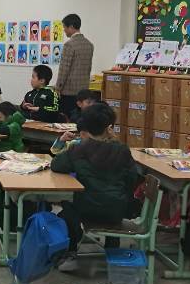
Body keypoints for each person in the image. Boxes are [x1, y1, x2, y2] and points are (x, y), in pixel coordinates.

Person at [51, 103, 137, 272]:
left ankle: (71, 252)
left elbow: (56, 165)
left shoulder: (78, 149)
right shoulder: (122, 150)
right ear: (109, 127)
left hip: (86, 208)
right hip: (117, 210)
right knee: (112, 199)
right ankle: (112, 249)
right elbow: (132, 179)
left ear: (86, 126)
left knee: (66, 206)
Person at [55, 14, 95, 121]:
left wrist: (57, 88)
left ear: (71, 26)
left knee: (67, 120)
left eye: (65, 27)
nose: (64, 30)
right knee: (81, 119)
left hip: (69, 91)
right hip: (84, 90)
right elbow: (88, 68)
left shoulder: (69, 45)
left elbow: (64, 69)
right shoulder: (89, 44)